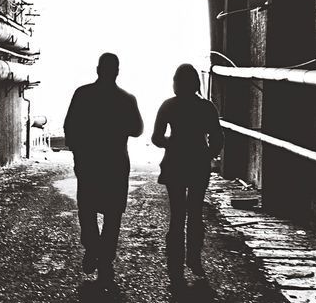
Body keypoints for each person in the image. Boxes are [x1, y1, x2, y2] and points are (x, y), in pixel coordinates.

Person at [63, 53, 144, 284]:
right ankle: (105, 258)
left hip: (89, 162)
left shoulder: (83, 94)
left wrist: (78, 152)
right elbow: (138, 130)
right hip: (116, 163)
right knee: (112, 214)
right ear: (117, 71)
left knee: (87, 209)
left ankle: (92, 248)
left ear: (98, 69)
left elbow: (70, 126)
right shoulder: (127, 99)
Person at [151, 63, 224, 281]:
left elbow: (156, 138)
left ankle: (175, 266)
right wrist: (206, 154)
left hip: (175, 163)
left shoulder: (168, 106)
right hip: (198, 164)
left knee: (177, 216)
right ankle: (194, 258)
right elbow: (217, 138)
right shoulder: (207, 107)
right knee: (195, 213)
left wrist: (171, 144)